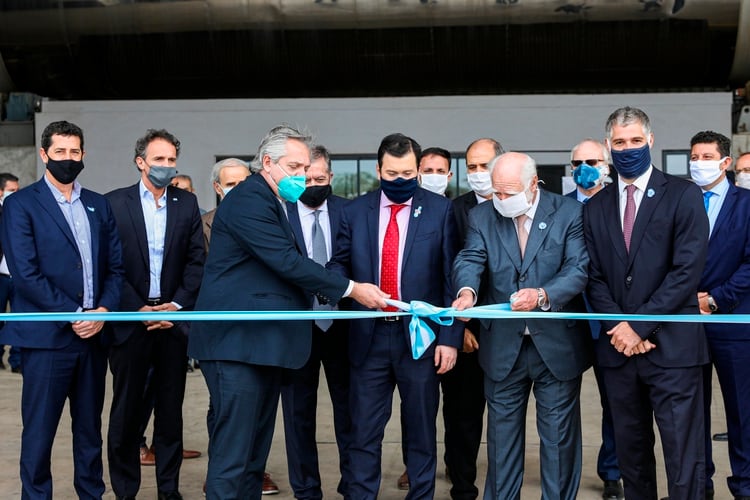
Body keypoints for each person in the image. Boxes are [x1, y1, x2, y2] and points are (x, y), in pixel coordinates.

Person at [188, 125, 387, 500]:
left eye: (306, 167)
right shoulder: (250, 200)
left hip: (261, 347)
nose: (301, 176)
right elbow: (286, 261)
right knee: (233, 457)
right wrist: (352, 289)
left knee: (252, 456)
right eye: (294, 167)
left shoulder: (274, 200)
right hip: (236, 348)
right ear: (267, 162)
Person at [327, 132, 463, 500]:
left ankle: (421, 494)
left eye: (407, 173)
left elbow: (452, 277)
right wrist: (351, 286)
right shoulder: (355, 211)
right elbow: (338, 264)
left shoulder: (440, 210)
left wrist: (450, 339)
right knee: (363, 431)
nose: (400, 181)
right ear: (378, 169)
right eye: (391, 174)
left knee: (420, 429)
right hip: (367, 337)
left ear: (418, 169)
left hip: (420, 337)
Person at [583, 106, 709, 499]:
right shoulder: (595, 206)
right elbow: (593, 277)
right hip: (619, 354)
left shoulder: (683, 194)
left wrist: (638, 326)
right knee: (632, 457)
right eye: (619, 143)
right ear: (608, 146)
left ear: (650, 141)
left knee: (683, 459)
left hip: (673, 351)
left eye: (636, 141)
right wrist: (621, 329)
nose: (628, 149)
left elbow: (686, 272)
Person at [452, 151, 590, 500]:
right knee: (500, 443)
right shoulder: (482, 216)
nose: (501, 200)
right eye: (496, 192)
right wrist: (467, 292)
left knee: (558, 442)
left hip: (555, 347)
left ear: (533, 184)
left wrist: (543, 294)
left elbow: (578, 269)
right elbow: (471, 257)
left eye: (508, 192)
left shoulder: (569, 212)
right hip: (502, 348)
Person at [0, 120, 124, 498]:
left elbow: (116, 268)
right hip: (48, 338)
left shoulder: (97, 204)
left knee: (89, 431)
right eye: (60, 152)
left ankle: (91, 494)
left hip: (93, 338)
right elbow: (25, 273)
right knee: (39, 431)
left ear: (83, 155)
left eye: (74, 152)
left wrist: (102, 310)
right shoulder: (21, 204)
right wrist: (75, 313)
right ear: (44, 154)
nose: (68, 159)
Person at [106, 129, 205, 500]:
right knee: (126, 415)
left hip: (171, 322)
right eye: (159, 159)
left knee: (170, 416)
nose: (166, 166)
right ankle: (125, 491)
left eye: (171, 160)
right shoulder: (114, 204)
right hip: (131, 321)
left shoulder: (186, 204)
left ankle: (169, 491)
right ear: (141, 162)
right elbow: (109, 264)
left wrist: (177, 307)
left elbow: (197, 262)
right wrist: (137, 308)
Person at [280, 145, 354, 499]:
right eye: (305, 178)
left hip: (343, 326)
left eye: (319, 179)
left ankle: (353, 484)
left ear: (331, 178)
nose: (312, 184)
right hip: (297, 326)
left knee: (350, 412)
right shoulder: (279, 214)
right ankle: (306, 490)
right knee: (297, 416)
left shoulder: (349, 212)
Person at [439, 137, 503, 500]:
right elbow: (447, 268)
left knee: (504, 416)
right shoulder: (453, 210)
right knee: (463, 415)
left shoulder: (524, 206)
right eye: (473, 167)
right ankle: (463, 486)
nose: (479, 174)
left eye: (485, 165)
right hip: (468, 331)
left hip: (513, 329)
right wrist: (457, 328)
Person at [689, 131, 750, 500]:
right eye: (694, 157)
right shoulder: (681, 202)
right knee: (692, 413)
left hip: (732, 322)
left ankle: (745, 487)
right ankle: (698, 486)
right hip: (687, 324)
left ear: (725, 162)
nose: (699, 163)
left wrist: (714, 299)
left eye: (707, 156)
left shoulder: (747, 204)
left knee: (742, 412)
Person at [566, 139, 624, 500]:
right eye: (578, 161)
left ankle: (612, 473)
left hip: (610, 319)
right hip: (567, 320)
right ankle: (563, 470)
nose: (584, 166)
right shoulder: (558, 208)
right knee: (560, 401)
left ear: (606, 165)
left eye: (592, 160)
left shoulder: (623, 203)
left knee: (614, 401)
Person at [0, 172, 21, 373]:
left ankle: (17, 360)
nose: (15, 194)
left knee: (20, 318)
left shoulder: (19, 210)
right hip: (1, 277)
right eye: (11, 190)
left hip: (19, 277)